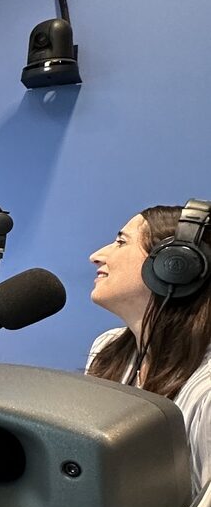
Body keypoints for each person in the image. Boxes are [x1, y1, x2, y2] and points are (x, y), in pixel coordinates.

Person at [86, 205, 211, 491]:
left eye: (120, 242)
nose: (97, 256)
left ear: (173, 265)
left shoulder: (206, 391)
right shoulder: (107, 349)